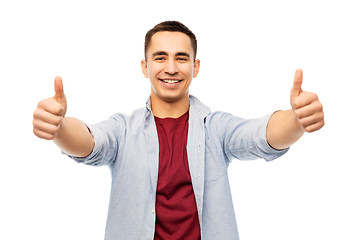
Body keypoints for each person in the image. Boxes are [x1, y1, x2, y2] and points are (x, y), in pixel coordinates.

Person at [32, 21, 325, 240]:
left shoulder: (216, 127)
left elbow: (260, 135)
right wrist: (58, 127)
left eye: (181, 58)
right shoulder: (123, 129)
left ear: (195, 67)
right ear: (145, 67)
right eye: (160, 57)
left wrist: (297, 120)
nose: (171, 68)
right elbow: (91, 143)